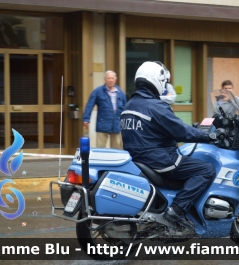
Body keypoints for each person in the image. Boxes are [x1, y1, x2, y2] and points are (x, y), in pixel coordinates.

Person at [121, 61, 217, 231]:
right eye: (164, 82)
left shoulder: (130, 105)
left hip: (138, 158)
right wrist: (209, 136)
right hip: (160, 159)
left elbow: (156, 130)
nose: (165, 86)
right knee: (206, 170)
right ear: (155, 80)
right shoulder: (156, 106)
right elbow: (182, 132)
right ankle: (176, 211)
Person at [83, 70, 127, 149]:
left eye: (112, 78)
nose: (110, 80)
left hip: (117, 124)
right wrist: (86, 119)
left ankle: (115, 161)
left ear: (115, 80)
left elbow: (125, 108)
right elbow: (90, 105)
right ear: (105, 80)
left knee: (117, 150)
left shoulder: (120, 93)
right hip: (103, 124)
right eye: (108, 78)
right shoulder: (98, 91)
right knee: (100, 149)